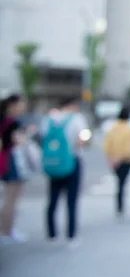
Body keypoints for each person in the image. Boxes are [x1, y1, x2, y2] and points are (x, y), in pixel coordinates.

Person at [41, 97, 89, 247]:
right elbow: (83, 137)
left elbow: (42, 138)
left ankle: (52, 234)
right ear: (73, 105)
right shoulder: (77, 119)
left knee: (52, 199)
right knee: (71, 200)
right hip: (72, 161)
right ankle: (71, 235)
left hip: (53, 162)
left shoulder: (49, 119)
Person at [0, 94, 28, 243]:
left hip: (5, 160)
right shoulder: (12, 123)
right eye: (21, 105)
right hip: (12, 161)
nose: (22, 108)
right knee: (11, 198)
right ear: (12, 105)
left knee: (8, 198)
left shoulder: (3, 120)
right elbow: (20, 141)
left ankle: (5, 229)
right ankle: (6, 230)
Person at [103, 106, 130, 217]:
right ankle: (121, 205)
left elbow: (107, 145)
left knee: (119, 183)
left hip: (114, 159)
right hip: (126, 159)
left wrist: (111, 157)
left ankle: (119, 205)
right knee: (123, 183)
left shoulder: (112, 127)